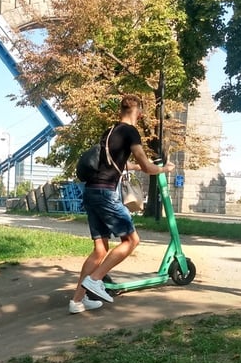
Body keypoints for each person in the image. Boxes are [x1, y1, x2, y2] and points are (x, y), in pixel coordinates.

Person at [69, 94, 175, 314]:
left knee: (100, 249)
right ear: (139, 112)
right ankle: (95, 280)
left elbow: (115, 163)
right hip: (106, 193)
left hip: (91, 191)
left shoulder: (110, 132)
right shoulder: (131, 132)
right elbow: (146, 166)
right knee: (131, 240)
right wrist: (164, 169)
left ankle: (77, 301)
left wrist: (134, 168)